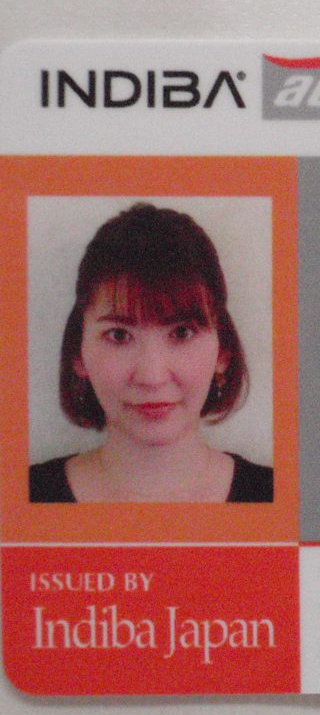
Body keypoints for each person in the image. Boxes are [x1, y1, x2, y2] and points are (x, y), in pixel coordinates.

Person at [30, 203, 272, 503]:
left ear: (223, 352)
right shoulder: (21, 496)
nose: (152, 377)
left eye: (181, 332)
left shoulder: (280, 496)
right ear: (78, 355)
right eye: (119, 335)